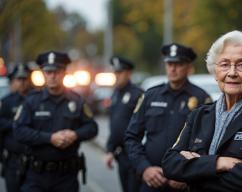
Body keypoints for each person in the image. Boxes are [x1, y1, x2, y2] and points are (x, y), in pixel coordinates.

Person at [162, 31, 242, 192]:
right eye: (224, 64)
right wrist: (219, 163)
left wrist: (195, 172)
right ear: (215, 72)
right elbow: (170, 164)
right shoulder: (199, 115)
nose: (232, 73)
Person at [125, 43, 212, 192]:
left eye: (178, 64)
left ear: (189, 67)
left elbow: (208, 143)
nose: (173, 68)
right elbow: (132, 137)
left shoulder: (202, 99)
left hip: (184, 183)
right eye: (169, 63)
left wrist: (189, 173)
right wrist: (144, 168)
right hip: (151, 180)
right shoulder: (150, 96)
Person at [13, 51, 98, 192]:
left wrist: (75, 134)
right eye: (48, 72)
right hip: (36, 176)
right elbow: (19, 130)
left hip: (66, 177)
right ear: (44, 74)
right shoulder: (32, 101)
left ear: (64, 73)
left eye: (56, 72)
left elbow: (92, 128)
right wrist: (49, 138)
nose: (52, 76)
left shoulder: (76, 100)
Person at [105, 56, 143, 192]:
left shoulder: (137, 94)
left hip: (134, 154)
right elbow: (114, 125)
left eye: (119, 73)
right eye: (115, 73)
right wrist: (109, 149)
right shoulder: (115, 93)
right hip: (121, 154)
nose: (116, 76)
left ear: (128, 73)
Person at [0, 64, 33, 192]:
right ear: (13, 81)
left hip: (33, 160)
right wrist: (16, 125)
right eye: (19, 79)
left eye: (24, 79)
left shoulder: (36, 100)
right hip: (12, 159)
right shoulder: (7, 101)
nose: (22, 83)